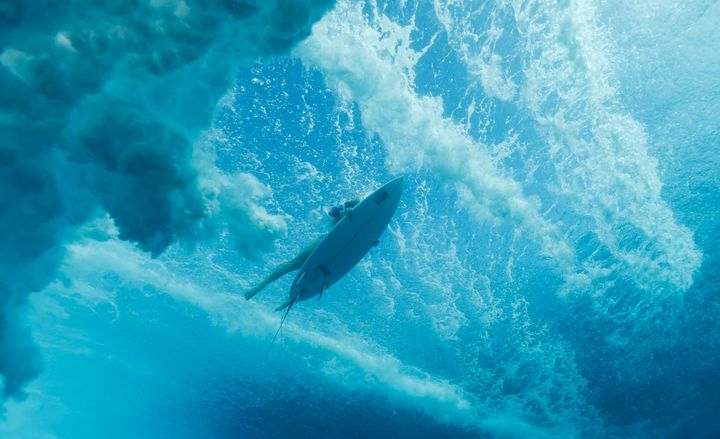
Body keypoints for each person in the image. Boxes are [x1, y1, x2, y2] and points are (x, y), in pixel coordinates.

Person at [244, 199, 359, 300]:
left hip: (343, 247)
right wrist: (344, 214)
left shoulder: (372, 210)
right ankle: (258, 287)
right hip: (327, 239)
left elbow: (365, 236)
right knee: (294, 264)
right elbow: (333, 213)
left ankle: (304, 291)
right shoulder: (356, 201)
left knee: (323, 271)